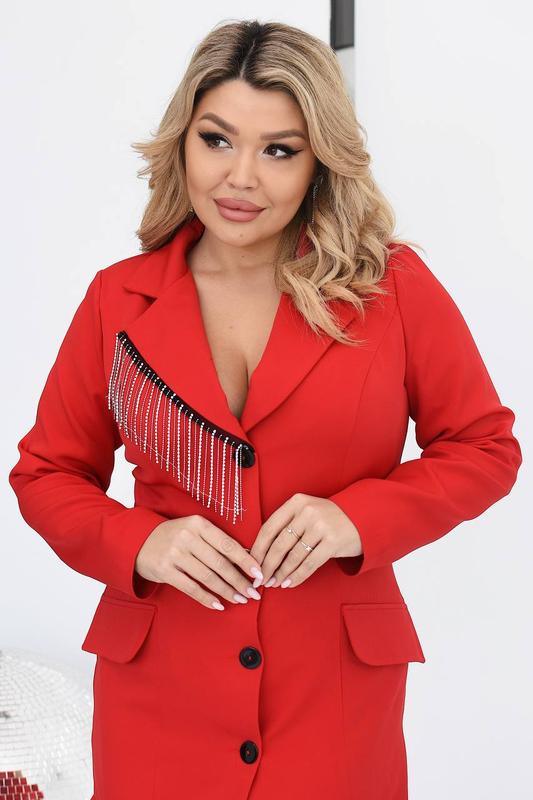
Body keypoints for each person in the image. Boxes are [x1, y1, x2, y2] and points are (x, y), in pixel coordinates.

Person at [8, 18, 522, 800]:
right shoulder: (119, 300)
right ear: (182, 143)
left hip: (334, 694)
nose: (240, 177)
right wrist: (140, 542)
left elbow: (484, 447)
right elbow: (46, 472)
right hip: (157, 689)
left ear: (319, 161)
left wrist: (358, 518)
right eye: (216, 140)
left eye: (279, 150)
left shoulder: (390, 289)